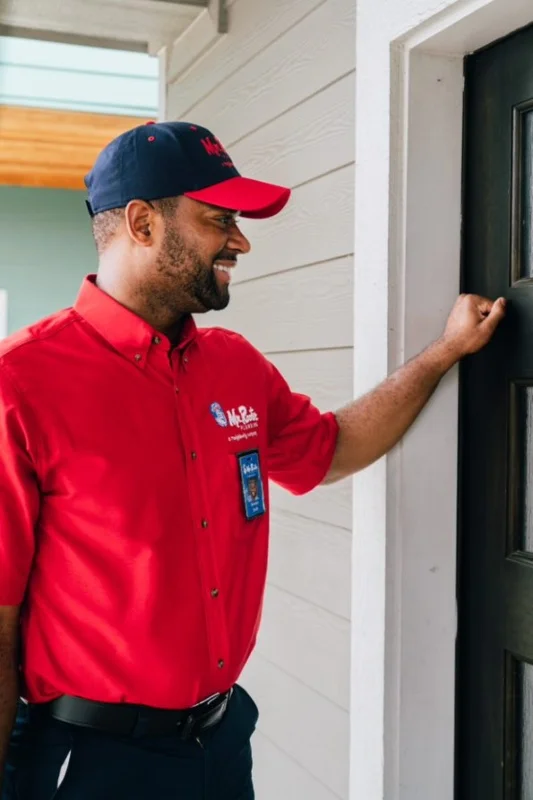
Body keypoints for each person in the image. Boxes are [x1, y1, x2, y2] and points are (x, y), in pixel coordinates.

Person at [0, 121, 506, 800]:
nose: (239, 240)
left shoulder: (234, 365)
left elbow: (331, 450)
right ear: (144, 224)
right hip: (87, 763)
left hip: (220, 740)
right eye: (219, 220)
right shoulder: (21, 384)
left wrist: (442, 355)